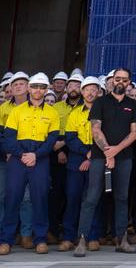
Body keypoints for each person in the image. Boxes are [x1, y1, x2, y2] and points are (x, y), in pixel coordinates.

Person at [78, 68, 136, 255]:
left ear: (129, 83)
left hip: (124, 158)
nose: (120, 82)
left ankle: (121, 240)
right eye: (117, 79)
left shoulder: (133, 104)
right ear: (112, 81)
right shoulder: (100, 102)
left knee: (121, 199)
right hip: (100, 158)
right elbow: (95, 130)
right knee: (91, 198)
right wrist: (108, 153)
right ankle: (81, 240)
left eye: (124, 80)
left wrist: (116, 151)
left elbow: (135, 132)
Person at [0, 72, 59, 256]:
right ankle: (6, 240)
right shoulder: (17, 111)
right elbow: (8, 139)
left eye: (42, 87)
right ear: (29, 88)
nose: (38, 90)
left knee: (40, 198)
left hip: (40, 158)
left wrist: (36, 154)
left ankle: (40, 239)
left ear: (46, 89)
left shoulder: (52, 112)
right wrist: (23, 154)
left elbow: (52, 140)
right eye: (34, 86)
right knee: (12, 198)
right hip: (19, 158)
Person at [60, 77, 101, 254]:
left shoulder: (104, 111)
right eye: (87, 89)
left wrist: (92, 155)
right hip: (77, 160)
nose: (90, 93)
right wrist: (86, 153)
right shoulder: (74, 113)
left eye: (94, 90)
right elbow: (70, 138)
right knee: (73, 198)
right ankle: (69, 237)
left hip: (99, 158)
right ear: (82, 92)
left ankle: (92, 236)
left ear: (99, 92)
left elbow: (108, 136)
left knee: (92, 199)